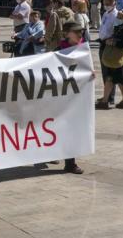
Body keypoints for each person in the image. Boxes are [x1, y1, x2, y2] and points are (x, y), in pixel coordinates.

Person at [52, 22, 86, 174]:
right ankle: (65, 160)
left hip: (77, 95)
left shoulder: (83, 47)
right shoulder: (59, 50)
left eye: (81, 31)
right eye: (76, 31)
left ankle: (70, 162)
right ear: (66, 33)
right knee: (62, 127)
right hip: (62, 95)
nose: (80, 34)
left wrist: (90, 73)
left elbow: (84, 67)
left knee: (73, 128)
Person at [96, 10, 123, 110]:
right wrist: (105, 41)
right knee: (111, 79)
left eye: (121, 17)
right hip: (115, 59)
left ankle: (121, 101)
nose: (118, 18)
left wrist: (113, 42)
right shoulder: (119, 28)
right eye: (118, 16)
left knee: (120, 81)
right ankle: (108, 101)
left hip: (121, 60)